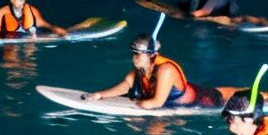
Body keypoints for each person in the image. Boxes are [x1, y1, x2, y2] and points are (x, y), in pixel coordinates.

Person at [81, 33, 227, 109]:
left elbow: (156, 103)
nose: (134, 58)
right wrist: (100, 95)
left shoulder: (166, 70)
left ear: (152, 55)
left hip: (207, 101)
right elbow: (126, 84)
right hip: (176, 103)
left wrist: (134, 105)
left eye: (138, 54)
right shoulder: (142, 69)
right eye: (134, 53)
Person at [0, 0, 65, 38]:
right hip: (9, 36)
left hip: (24, 36)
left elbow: (43, 23)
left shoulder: (32, 10)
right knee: (11, 51)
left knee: (31, 46)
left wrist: (55, 29)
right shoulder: (1, 12)